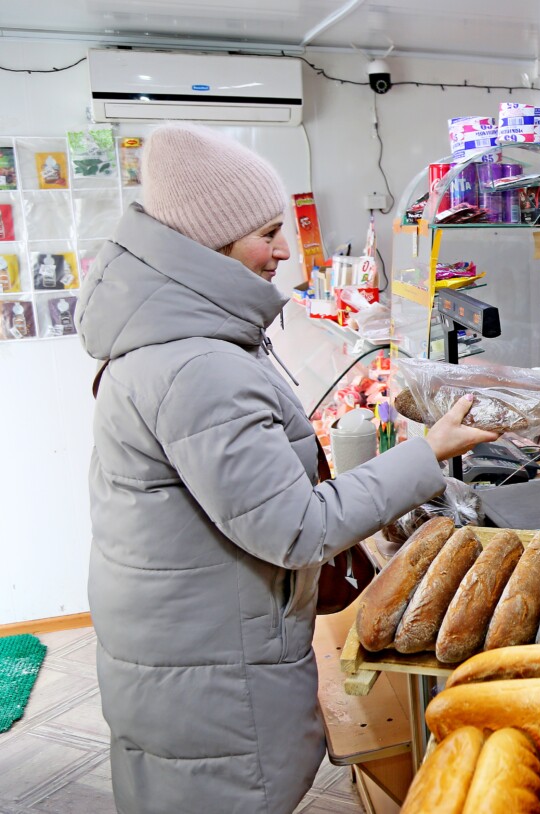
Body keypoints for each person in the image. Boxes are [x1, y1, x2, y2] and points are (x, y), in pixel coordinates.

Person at [76, 124, 496, 813]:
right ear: (209, 243)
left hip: (184, 645)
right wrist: (432, 450)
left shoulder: (176, 334)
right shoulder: (198, 364)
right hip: (213, 667)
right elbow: (296, 530)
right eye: (267, 233)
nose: (283, 250)